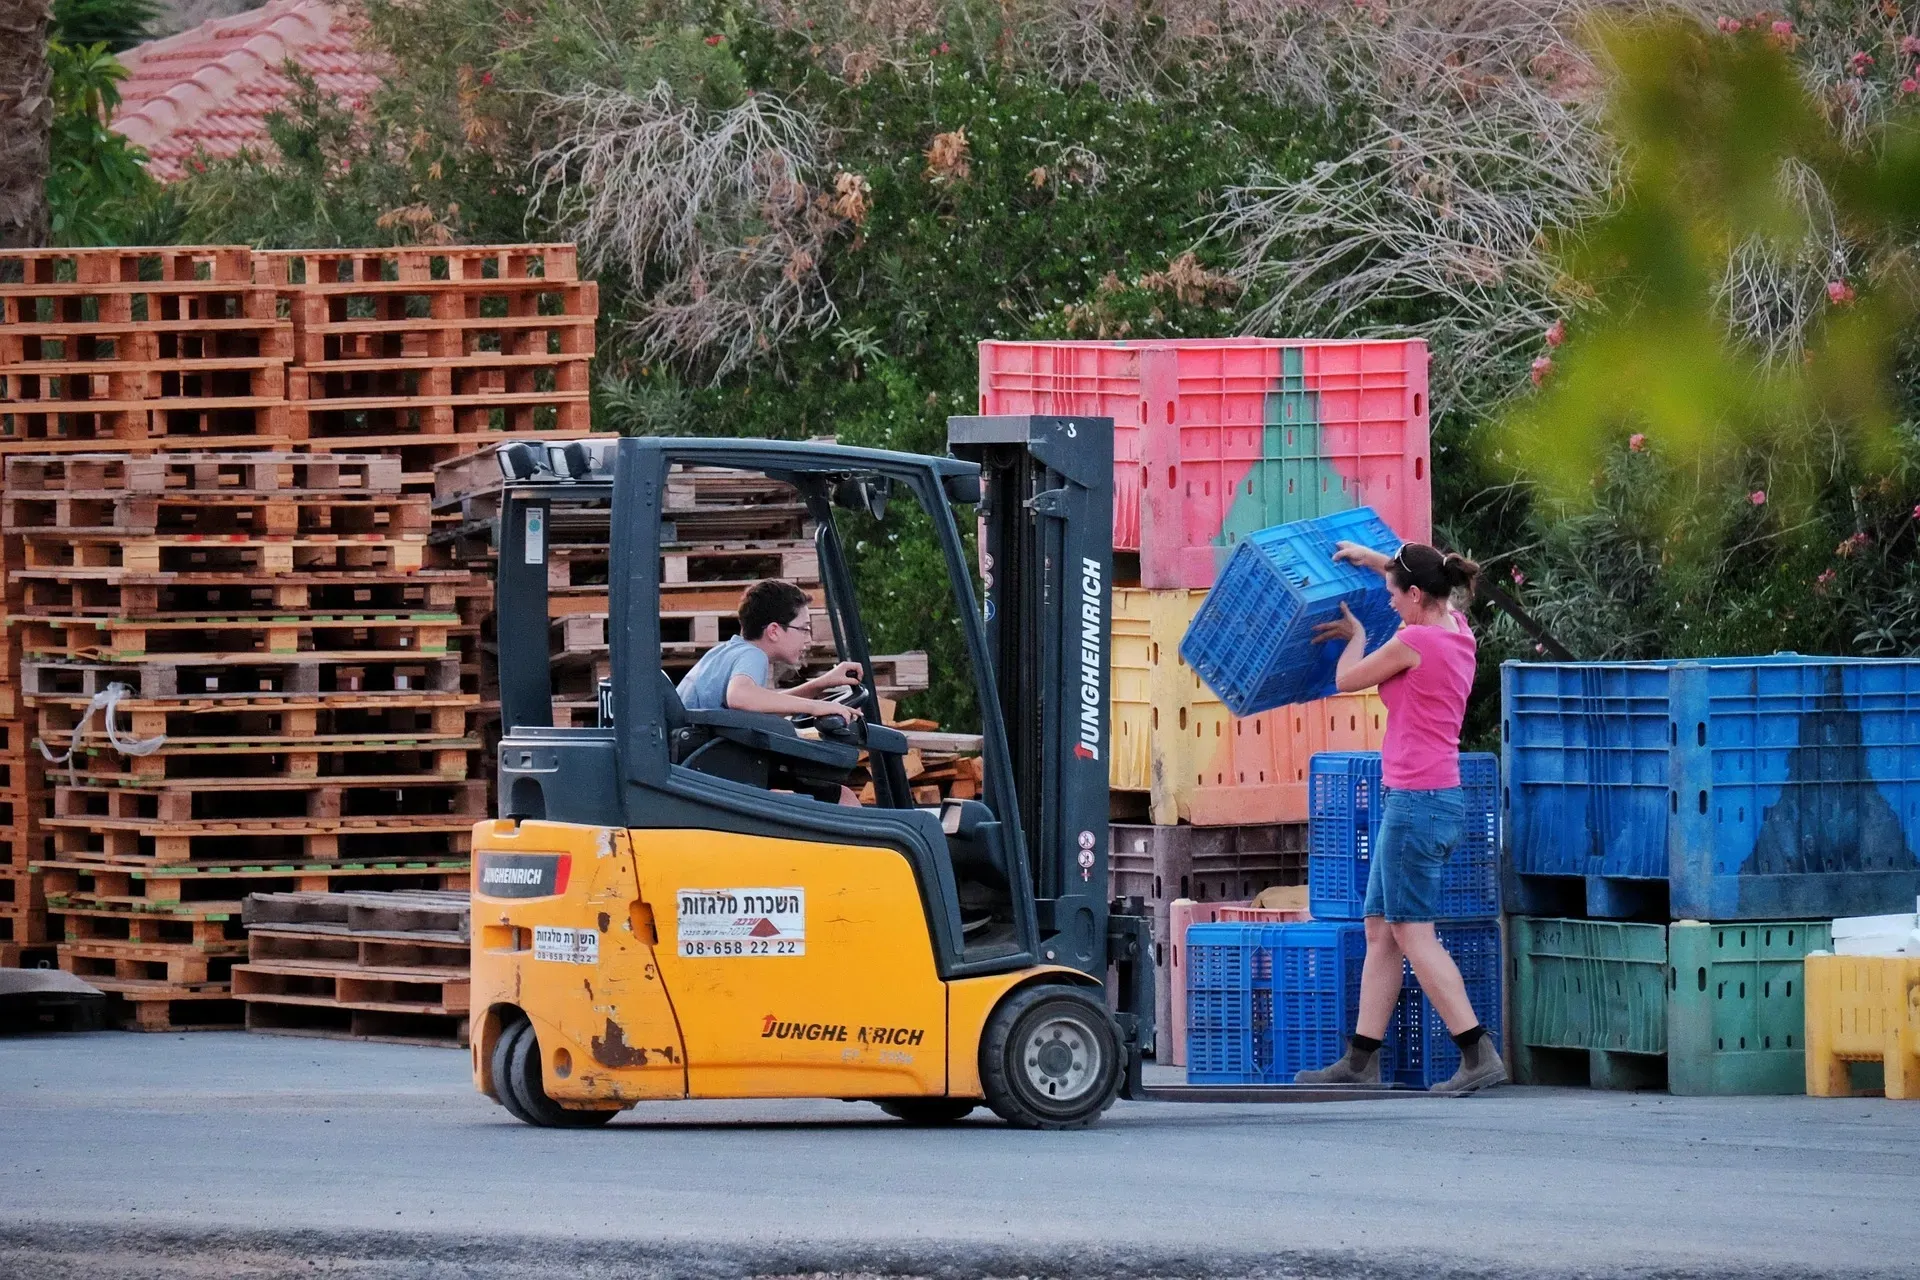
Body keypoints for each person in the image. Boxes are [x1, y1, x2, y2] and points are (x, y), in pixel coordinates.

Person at [1292, 541, 1506, 1095]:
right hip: (1427, 799)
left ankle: (1476, 1051)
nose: (1388, 604)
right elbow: (1426, 566)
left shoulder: (1413, 642)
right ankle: (1360, 1061)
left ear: (1416, 596)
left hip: (1417, 802)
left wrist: (1356, 635)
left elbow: (1346, 681)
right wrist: (1374, 559)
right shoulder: (1457, 627)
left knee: (1412, 931)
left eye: (1393, 594)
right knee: (1381, 931)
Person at [676, 579, 866, 806]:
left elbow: (756, 707)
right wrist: (818, 707)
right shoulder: (753, 656)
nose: (809, 639)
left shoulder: (725, 652)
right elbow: (740, 697)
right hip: (722, 772)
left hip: (709, 766)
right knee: (843, 798)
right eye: (804, 629)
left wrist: (820, 684)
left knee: (837, 794)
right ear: (774, 631)